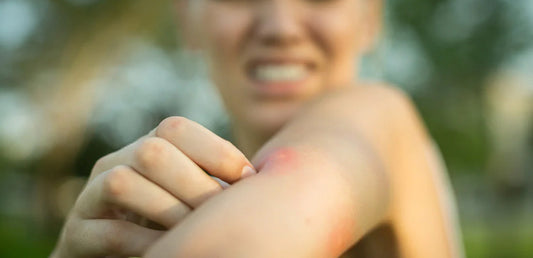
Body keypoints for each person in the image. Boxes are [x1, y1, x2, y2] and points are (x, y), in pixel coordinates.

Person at [51, 0, 463, 257]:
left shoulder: (381, 120)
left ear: (370, 19)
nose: (280, 26)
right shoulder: (154, 201)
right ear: (188, 20)